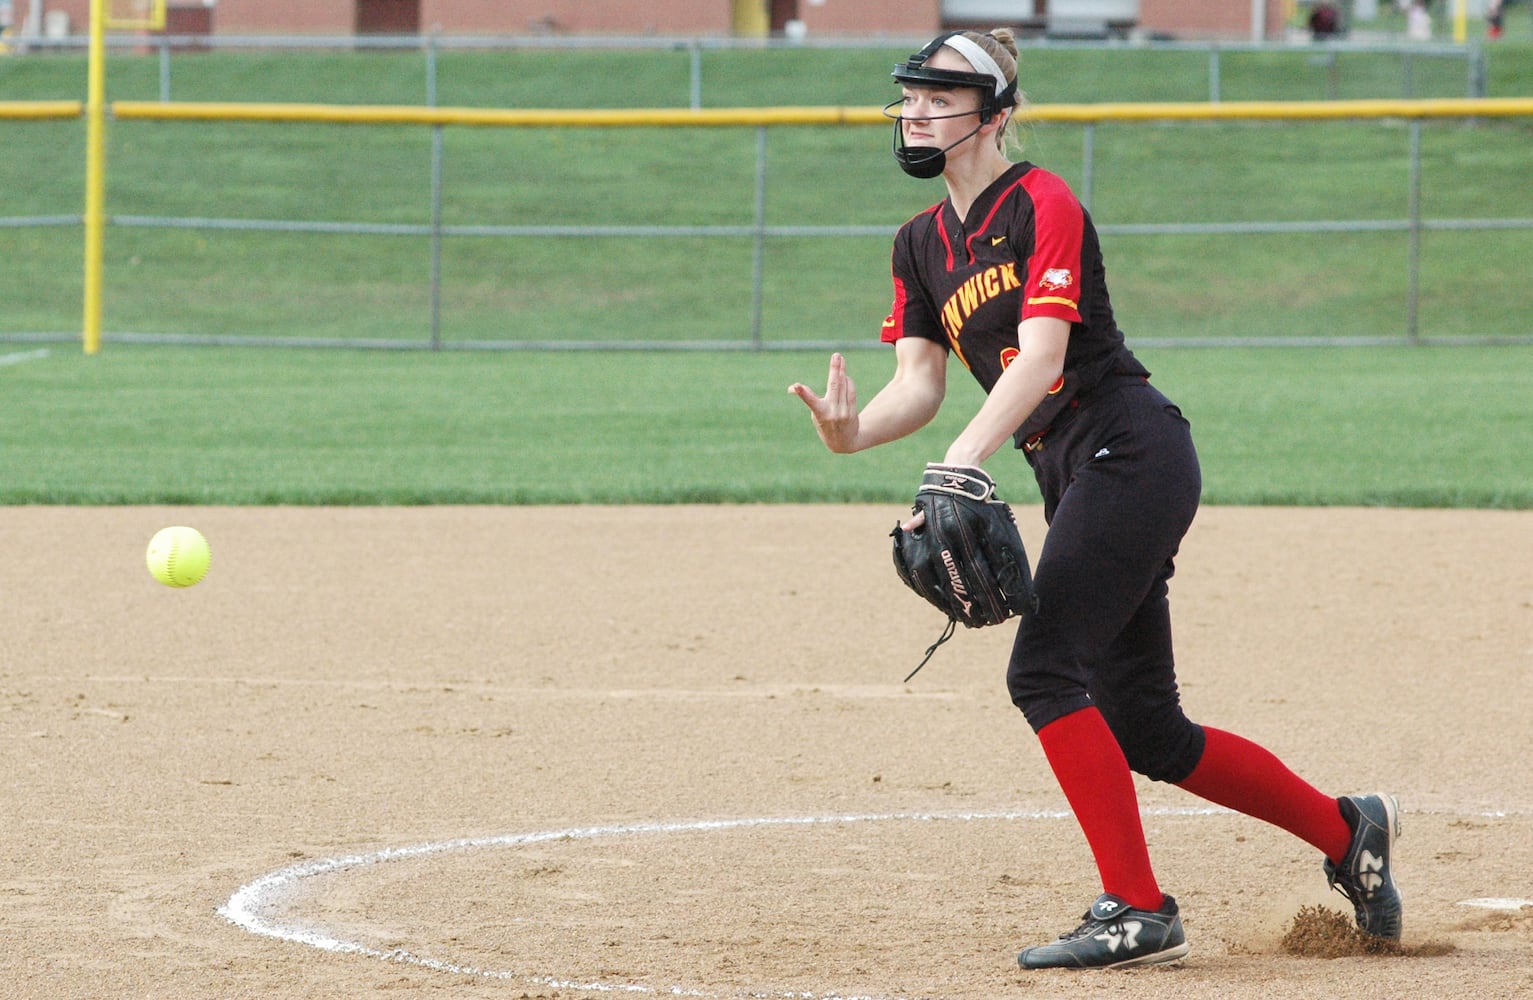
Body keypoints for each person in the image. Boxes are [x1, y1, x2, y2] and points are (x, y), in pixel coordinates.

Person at [788, 29, 1402, 970]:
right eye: (907, 95)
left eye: (937, 96)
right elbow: (918, 381)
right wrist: (852, 433)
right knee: (1147, 726)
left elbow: (1038, 356)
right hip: (1074, 471)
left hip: (1131, 448)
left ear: (992, 115)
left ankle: (1138, 910)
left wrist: (960, 460)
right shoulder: (918, 244)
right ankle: (1346, 832)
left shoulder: (1042, 201)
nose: (913, 110)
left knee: (1041, 673)